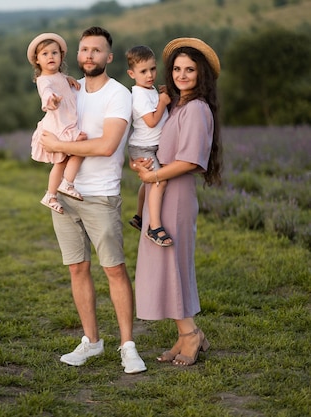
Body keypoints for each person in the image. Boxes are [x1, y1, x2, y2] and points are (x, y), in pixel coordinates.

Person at [39, 26, 146, 374]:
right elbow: (51, 119)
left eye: (96, 51)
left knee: (114, 269)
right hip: (65, 196)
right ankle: (92, 342)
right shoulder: (69, 87)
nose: (89, 56)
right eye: (84, 50)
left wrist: (58, 147)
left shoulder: (118, 95)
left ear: (108, 57)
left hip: (100, 194)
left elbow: (106, 146)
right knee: (77, 268)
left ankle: (128, 346)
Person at [131, 37, 222, 366]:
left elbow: (192, 161)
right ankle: (187, 334)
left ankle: (191, 336)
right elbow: (159, 148)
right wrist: (144, 165)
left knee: (173, 263)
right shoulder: (177, 105)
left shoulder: (196, 109)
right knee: (166, 263)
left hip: (177, 193)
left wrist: (154, 177)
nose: (182, 75)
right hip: (163, 186)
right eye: (178, 69)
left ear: (201, 75)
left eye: (190, 70)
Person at [27, 33, 87, 215]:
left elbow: (60, 82)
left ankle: (50, 195)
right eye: (44, 54)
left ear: (61, 57)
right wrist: (51, 100)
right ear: (37, 60)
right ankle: (67, 184)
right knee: (82, 145)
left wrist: (68, 80)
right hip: (58, 125)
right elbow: (46, 92)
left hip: (64, 123)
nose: (50, 57)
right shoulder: (43, 80)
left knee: (60, 162)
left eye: (54, 53)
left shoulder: (60, 76)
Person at [125, 45, 172, 247]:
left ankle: (138, 216)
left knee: (147, 184)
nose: (150, 75)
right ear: (131, 74)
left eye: (153, 69)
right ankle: (154, 227)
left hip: (149, 146)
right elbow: (152, 121)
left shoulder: (149, 90)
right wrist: (162, 102)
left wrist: (160, 95)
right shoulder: (138, 95)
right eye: (143, 71)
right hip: (144, 148)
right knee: (159, 182)